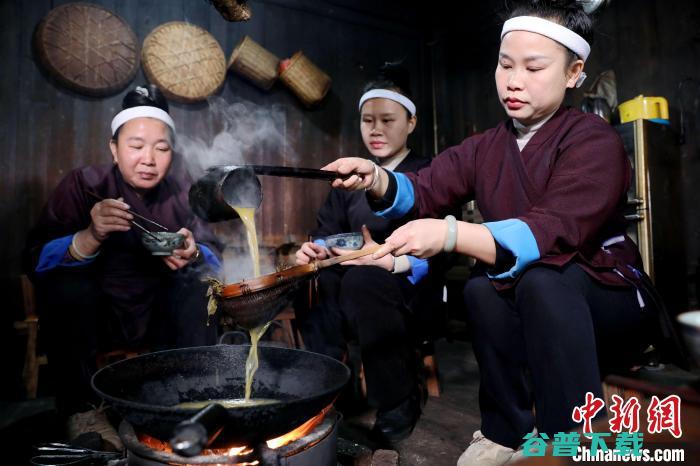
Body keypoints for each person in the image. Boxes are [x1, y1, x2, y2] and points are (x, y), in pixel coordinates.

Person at [322, 2, 683, 465]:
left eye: (534, 67)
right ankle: (503, 433)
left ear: (574, 73)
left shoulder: (595, 140)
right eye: (505, 64)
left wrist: (450, 234)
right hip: (534, 294)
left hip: (607, 296)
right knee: (481, 289)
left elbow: (552, 228)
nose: (514, 80)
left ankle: (564, 440)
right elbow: (426, 186)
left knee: (542, 280)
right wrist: (374, 178)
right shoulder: (486, 146)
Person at [23, 85, 222, 448]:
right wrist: (88, 236)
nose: (149, 158)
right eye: (136, 146)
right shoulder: (84, 185)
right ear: (114, 149)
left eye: (161, 148)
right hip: (99, 313)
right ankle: (83, 411)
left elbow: (214, 256)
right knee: (67, 287)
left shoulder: (181, 193)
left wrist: (193, 253)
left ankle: (191, 398)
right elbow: (35, 258)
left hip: (158, 311)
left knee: (200, 288)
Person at [295, 64, 448, 445]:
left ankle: (399, 400)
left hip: (410, 286)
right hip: (353, 284)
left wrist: (390, 258)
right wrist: (314, 249)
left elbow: (445, 246)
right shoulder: (349, 179)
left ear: (411, 122)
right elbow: (328, 234)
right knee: (312, 278)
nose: (376, 130)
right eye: (367, 121)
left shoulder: (429, 173)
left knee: (364, 280)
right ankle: (332, 387)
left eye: (387, 119)